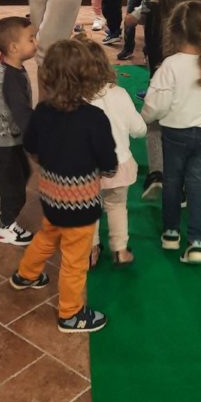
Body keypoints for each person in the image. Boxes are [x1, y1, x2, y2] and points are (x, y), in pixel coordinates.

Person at [9, 39, 117, 334]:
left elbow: (31, 146)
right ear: (88, 77)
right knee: (74, 261)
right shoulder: (95, 118)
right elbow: (107, 159)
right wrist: (106, 170)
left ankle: (26, 274)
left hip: (51, 196)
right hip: (81, 206)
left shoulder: (42, 111)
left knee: (48, 235)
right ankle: (70, 314)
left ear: (48, 75)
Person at [142, 0, 201, 265]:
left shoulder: (170, 65)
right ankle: (197, 243)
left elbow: (157, 105)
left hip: (176, 132)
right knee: (198, 183)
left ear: (173, 31)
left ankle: (171, 233)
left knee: (173, 181)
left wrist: (144, 120)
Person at [129, 0, 200, 202]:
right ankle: (181, 184)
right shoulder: (196, 15)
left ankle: (157, 173)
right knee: (183, 134)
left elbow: (134, 25)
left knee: (154, 128)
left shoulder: (153, 12)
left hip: (160, 83)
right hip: (190, 90)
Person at [85, 40, 146, 267]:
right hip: (119, 165)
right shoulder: (119, 93)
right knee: (117, 206)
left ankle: (91, 249)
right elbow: (139, 129)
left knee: (89, 209)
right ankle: (120, 249)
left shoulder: (77, 100)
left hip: (89, 169)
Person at [0, 16, 37, 243]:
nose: (35, 42)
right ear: (13, 47)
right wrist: (36, 143)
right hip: (0, 143)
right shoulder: (11, 79)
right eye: (31, 39)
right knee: (15, 191)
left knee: (23, 173)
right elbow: (22, 114)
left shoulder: (10, 69)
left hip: (6, 137)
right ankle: (5, 227)